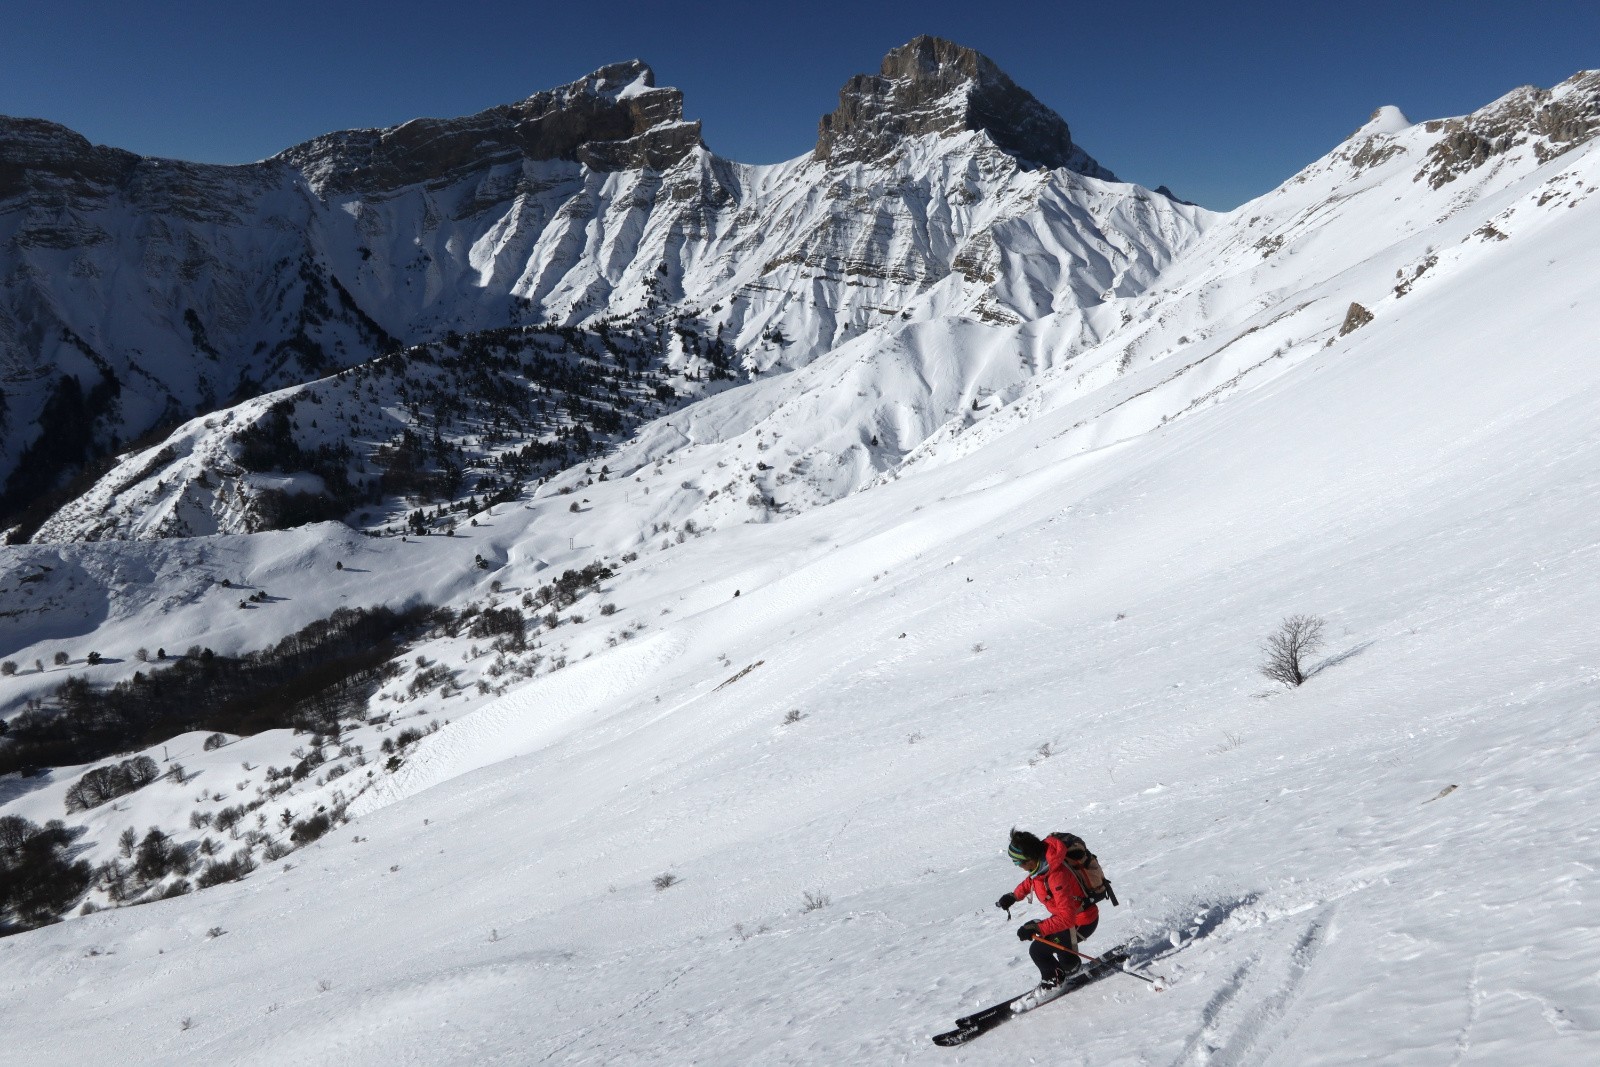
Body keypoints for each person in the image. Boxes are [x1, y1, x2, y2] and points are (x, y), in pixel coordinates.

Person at [995, 829, 1100, 989]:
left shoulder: (1056, 876)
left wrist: (1037, 927)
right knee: (1058, 942)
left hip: (1081, 922)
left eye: (1018, 862)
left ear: (1030, 859)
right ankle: (1072, 968)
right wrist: (1014, 896)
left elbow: (1067, 919)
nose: (1018, 867)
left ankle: (1053, 981)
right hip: (1073, 919)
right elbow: (1033, 881)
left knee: (1038, 950)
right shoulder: (1043, 864)